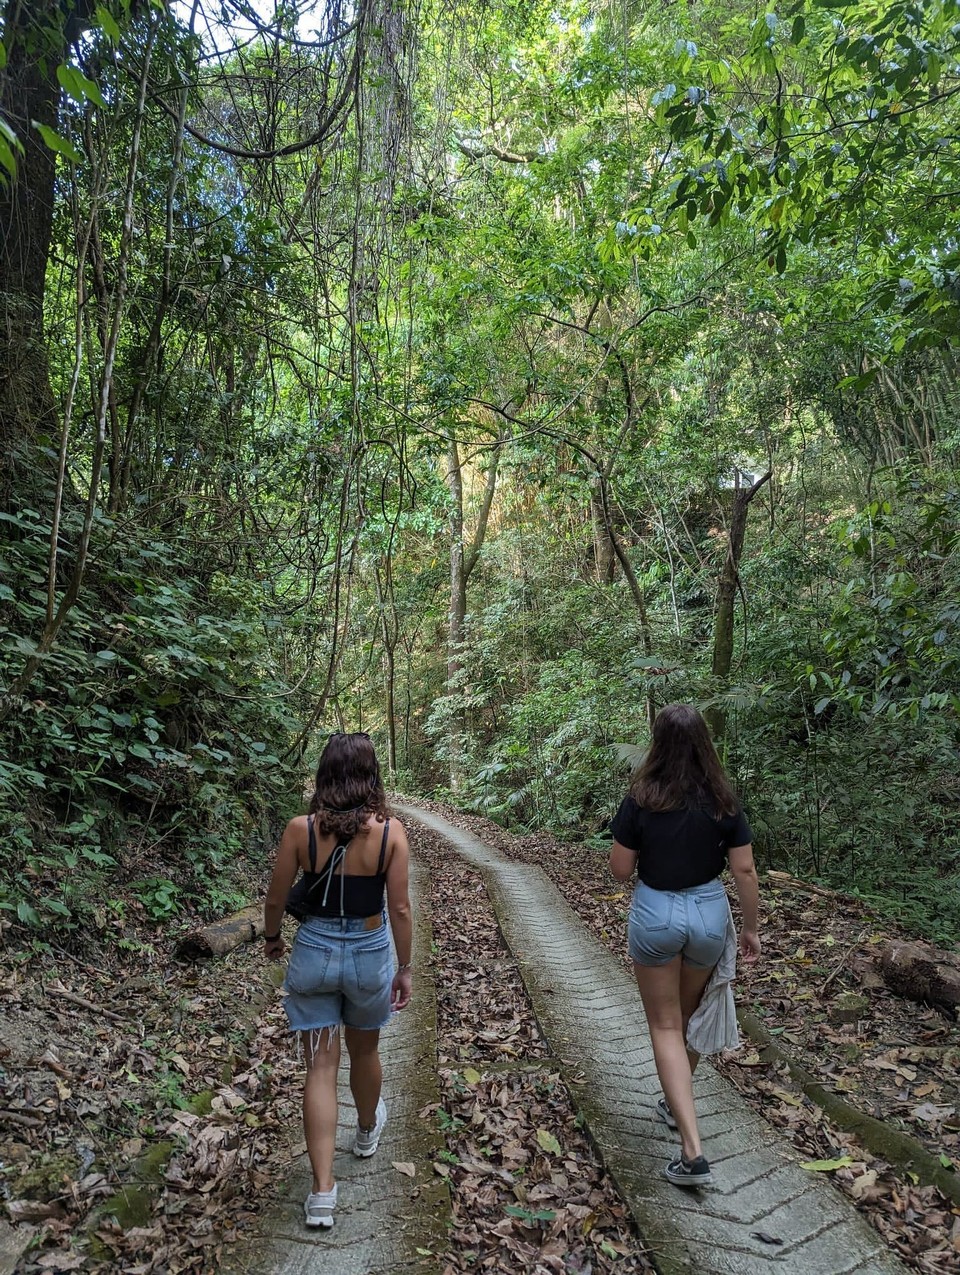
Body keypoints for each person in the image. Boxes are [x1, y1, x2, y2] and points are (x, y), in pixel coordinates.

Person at [263, 732, 412, 1228]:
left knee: (319, 1069)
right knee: (365, 1051)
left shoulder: (298, 830)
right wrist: (405, 966)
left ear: (325, 775)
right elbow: (401, 909)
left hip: (314, 952)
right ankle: (366, 1130)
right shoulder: (390, 833)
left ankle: (322, 1192)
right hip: (370, 952)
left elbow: (276, 899)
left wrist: (271, 941)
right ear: (372, 777)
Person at [609, 704, 760, 1188]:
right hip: (709, 915)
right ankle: (679, 1106)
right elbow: (745, 871)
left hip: (656, 915)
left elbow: (620, 870)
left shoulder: (641, 798)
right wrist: (752, 928)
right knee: (690, 1019)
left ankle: (692, 1151)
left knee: (666, 1025)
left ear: (657, 743)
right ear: (704, 744)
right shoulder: (724, 800)